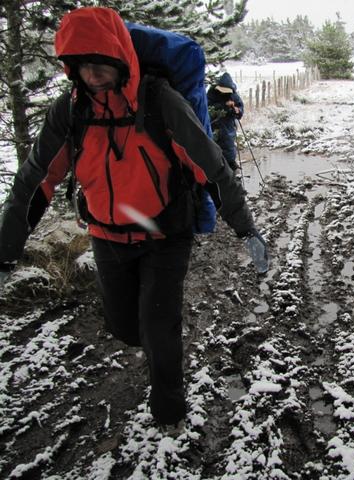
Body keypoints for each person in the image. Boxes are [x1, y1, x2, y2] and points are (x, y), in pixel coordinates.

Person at [0, 7, 268, 431]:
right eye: (82, 66)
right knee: (126, 327)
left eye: (100, 63)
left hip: (165, 234)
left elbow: (211, 166)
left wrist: (245, 227)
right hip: (106, 237)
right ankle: (147, 331)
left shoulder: (160, 101)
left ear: (121, 58)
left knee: (159, 330)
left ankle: (170, 417)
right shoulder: (71, 111)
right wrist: (6, 248)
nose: (92, 75)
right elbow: (35, 179)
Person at [207, 72, 243, 171]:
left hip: (228, 126)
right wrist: (223, 105)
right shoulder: (211, 93)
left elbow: (240, 110)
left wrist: (236, 110)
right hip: (214, 125)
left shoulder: (234, 96)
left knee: (229, 147)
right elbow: (208, 110)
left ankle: (231, 167)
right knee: (215, 150)